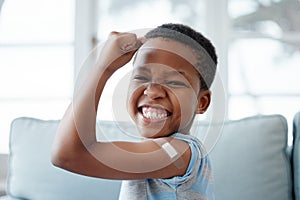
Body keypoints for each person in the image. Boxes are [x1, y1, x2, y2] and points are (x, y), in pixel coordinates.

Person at [51, 23, 218, 200]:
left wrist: (103, 67)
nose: (153, 91)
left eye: (174, 82)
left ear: (202, 102)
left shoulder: (176, 152)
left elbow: (68, 155)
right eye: (142, 77)